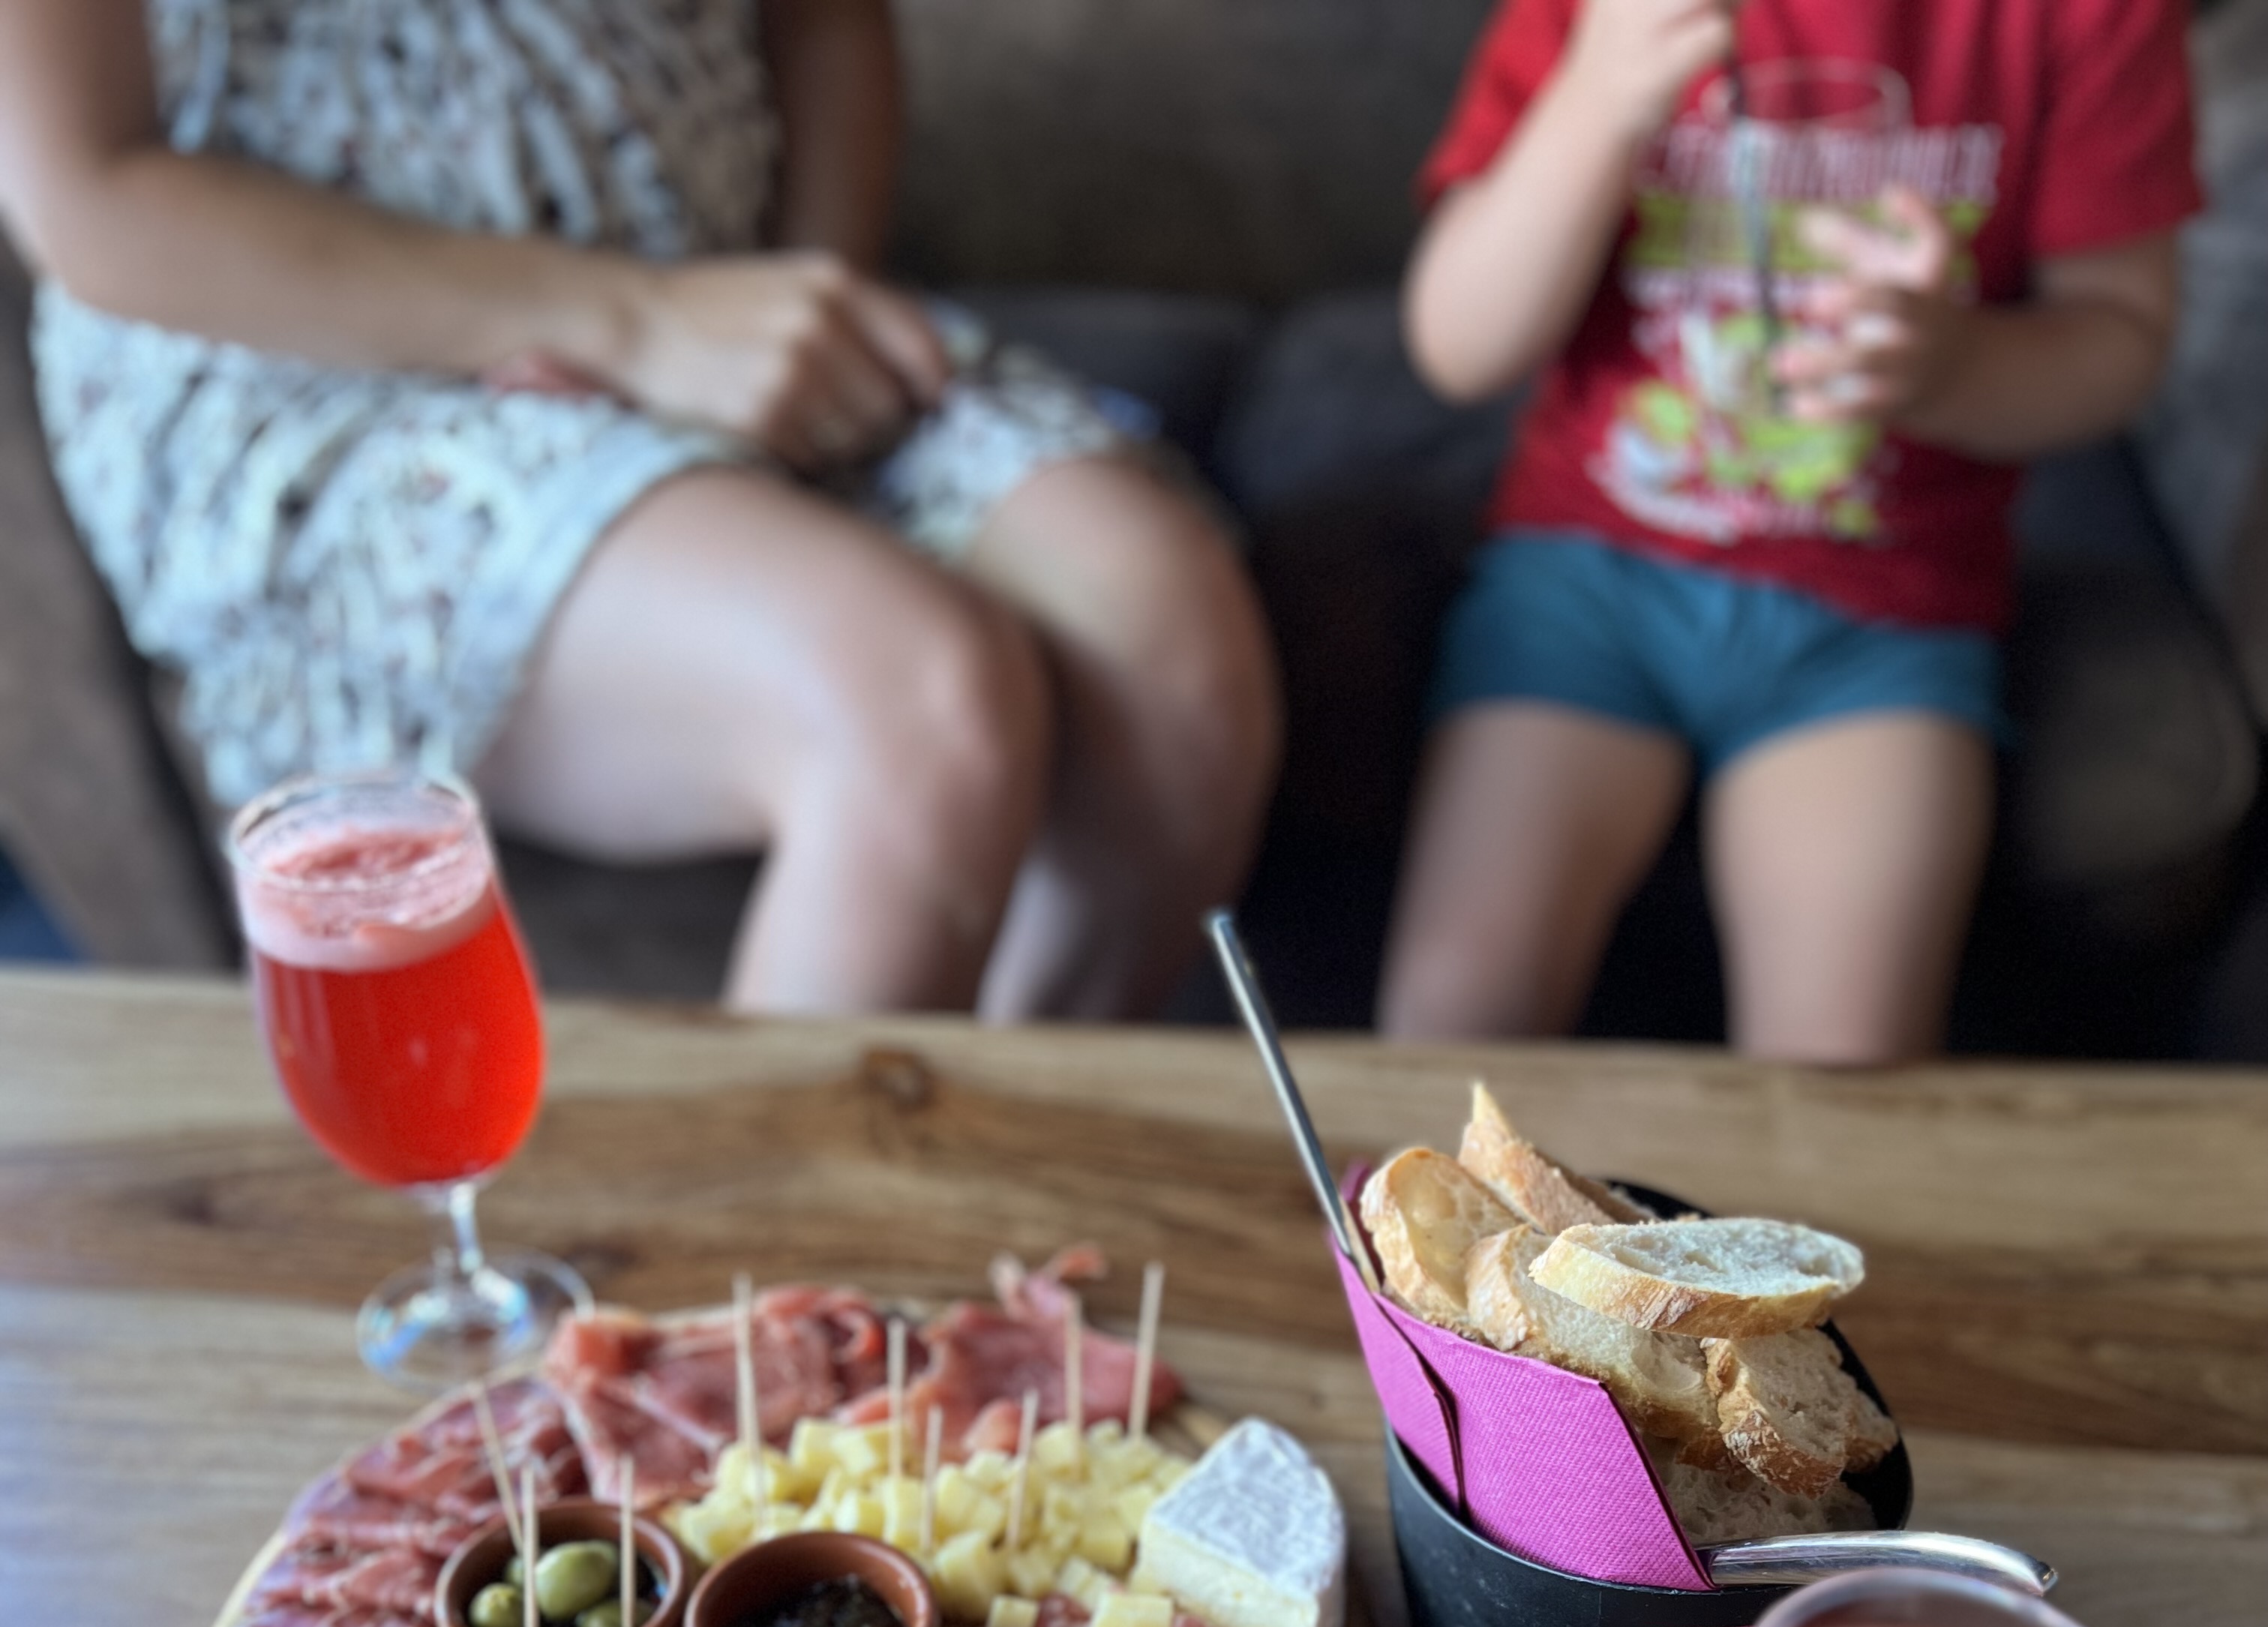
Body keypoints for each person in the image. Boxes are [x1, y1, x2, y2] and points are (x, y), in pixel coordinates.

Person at [0, 0, 1281, 1021]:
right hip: (325, 373)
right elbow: (87, 186)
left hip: (724, 292)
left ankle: (980, 1212)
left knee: (1169, 643)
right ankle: (780, 1276)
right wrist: (627, 322)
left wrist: (790, 311)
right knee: (919, 699)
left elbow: (824, 23)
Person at [1379, 0, 2198, 1061]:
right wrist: (1595, 102)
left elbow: (2119, 338)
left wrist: (1955, 366)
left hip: (1881, 621)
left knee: (1842, 1079)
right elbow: (1457, 345)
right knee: (1454, 1026)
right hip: (1584, 587)